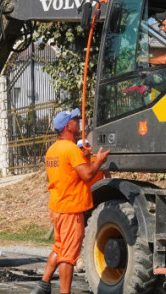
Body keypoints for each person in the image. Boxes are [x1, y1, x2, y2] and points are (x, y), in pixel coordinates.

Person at [30, 108, 110, 294]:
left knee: (59, 248)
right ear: (68, 126)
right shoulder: (71, 149)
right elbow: (88, 175)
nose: (78, 121)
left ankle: (43, 285)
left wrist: (83, 157)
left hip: (57, 207)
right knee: (68, 256)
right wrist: (98, 161)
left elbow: (66, 174)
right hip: (71, 209)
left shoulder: (52, 150)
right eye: (75, 119)